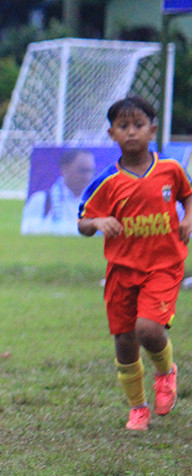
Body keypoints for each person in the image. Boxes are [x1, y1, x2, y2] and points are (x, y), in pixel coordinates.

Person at [78, 96, 192, 430]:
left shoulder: (170, 170)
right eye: (123, 127)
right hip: (121, 270)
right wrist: (98, 223)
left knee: (147, 329)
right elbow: (82, 223)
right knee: (125, 339)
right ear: (111, 133)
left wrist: (187, 218)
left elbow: (189, 193)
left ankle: (165, 371)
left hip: (164, 265)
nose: (131, 133)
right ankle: (137, 408)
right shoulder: (106, 181)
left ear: (152, 130)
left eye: (138, 126)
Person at [21, 148, 96, 235]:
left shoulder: (98, 202)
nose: (88, 177)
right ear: (65, 170)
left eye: (91, 171)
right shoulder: (41, 200)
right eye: (82, 171)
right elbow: (29, 231)